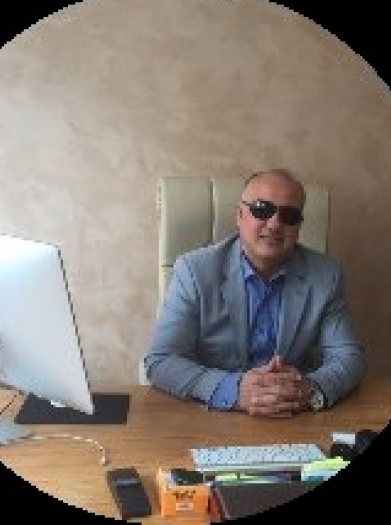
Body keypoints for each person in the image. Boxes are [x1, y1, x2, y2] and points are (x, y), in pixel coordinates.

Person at [143, 168, 366, 417]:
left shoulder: (326, 275)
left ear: (298, 226)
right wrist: (235, 390)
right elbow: (161, 360)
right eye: (262, 209)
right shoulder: (194, 271)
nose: (275, 224)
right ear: (239, 215)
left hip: (293, 415)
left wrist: (308, 390)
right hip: (213, 415)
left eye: (289, 215)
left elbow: (349, 357)